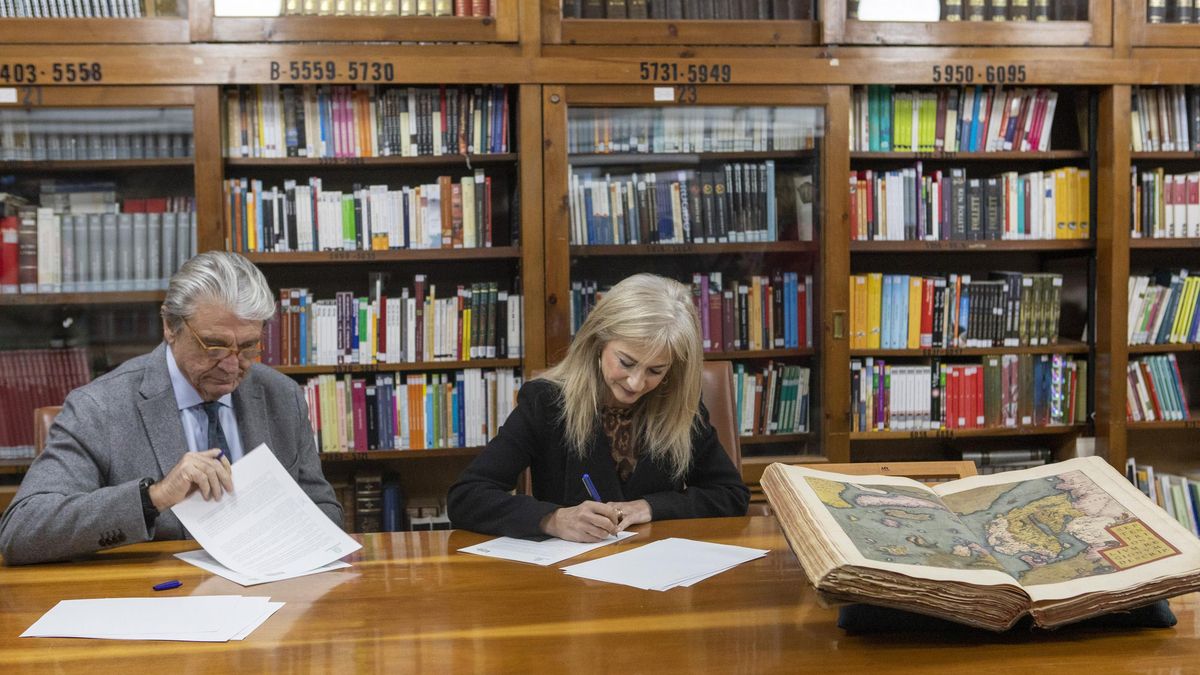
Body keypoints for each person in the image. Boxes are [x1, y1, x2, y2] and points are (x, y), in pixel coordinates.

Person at [0, 251, 342, 565]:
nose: (232, 365)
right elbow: (21, 531)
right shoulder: (100, 408)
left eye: (249, 347)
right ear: (170, 326)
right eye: (215, 346)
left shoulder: (280, 395)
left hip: (270, 592)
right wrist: (154, 497)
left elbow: (322, 510)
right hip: (154, 600)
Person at [448, 273, 749, 542]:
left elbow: (730, 495)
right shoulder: (547, 402)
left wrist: (652, 506)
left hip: (656, 575)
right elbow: (467, 497)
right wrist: (551, 519)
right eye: (626, 362)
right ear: (598, 342)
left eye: (655, 371)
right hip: (569, 582)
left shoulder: (678, 405)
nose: (635, 382)